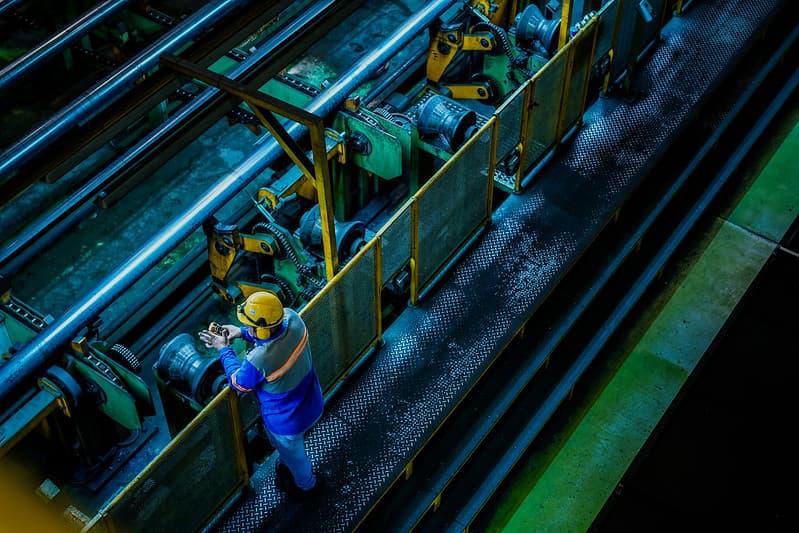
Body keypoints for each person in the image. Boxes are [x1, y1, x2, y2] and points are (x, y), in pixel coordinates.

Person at [198, 291, 324, 497]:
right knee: (293, 451)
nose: (247, 328)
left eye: (250, 325)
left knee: (296, 458)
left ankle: (307, 486)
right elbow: (274, 334)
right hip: (314, 402)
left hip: (287, 423)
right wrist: (240, 332)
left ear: (263, 331)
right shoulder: (294, 319)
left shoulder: (259, 359)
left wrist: (223, 349)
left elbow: (239, 383)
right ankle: (290, 465)